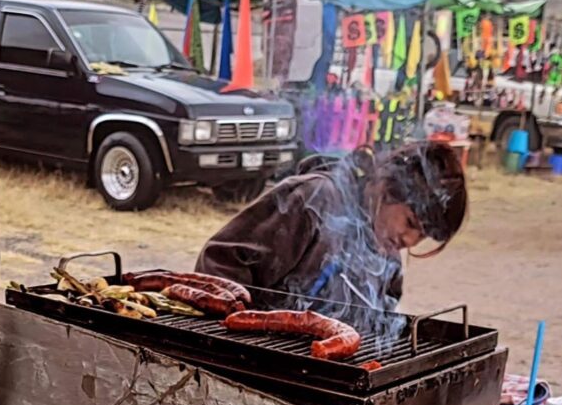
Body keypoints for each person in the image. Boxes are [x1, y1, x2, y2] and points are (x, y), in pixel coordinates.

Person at [196, 141, 467, 330]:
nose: (409, 240)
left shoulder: (388, 254)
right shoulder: (315, 199)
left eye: (422, 236)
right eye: (410, 223)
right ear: (385, 186)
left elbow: (384, 316)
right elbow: (222, 261)